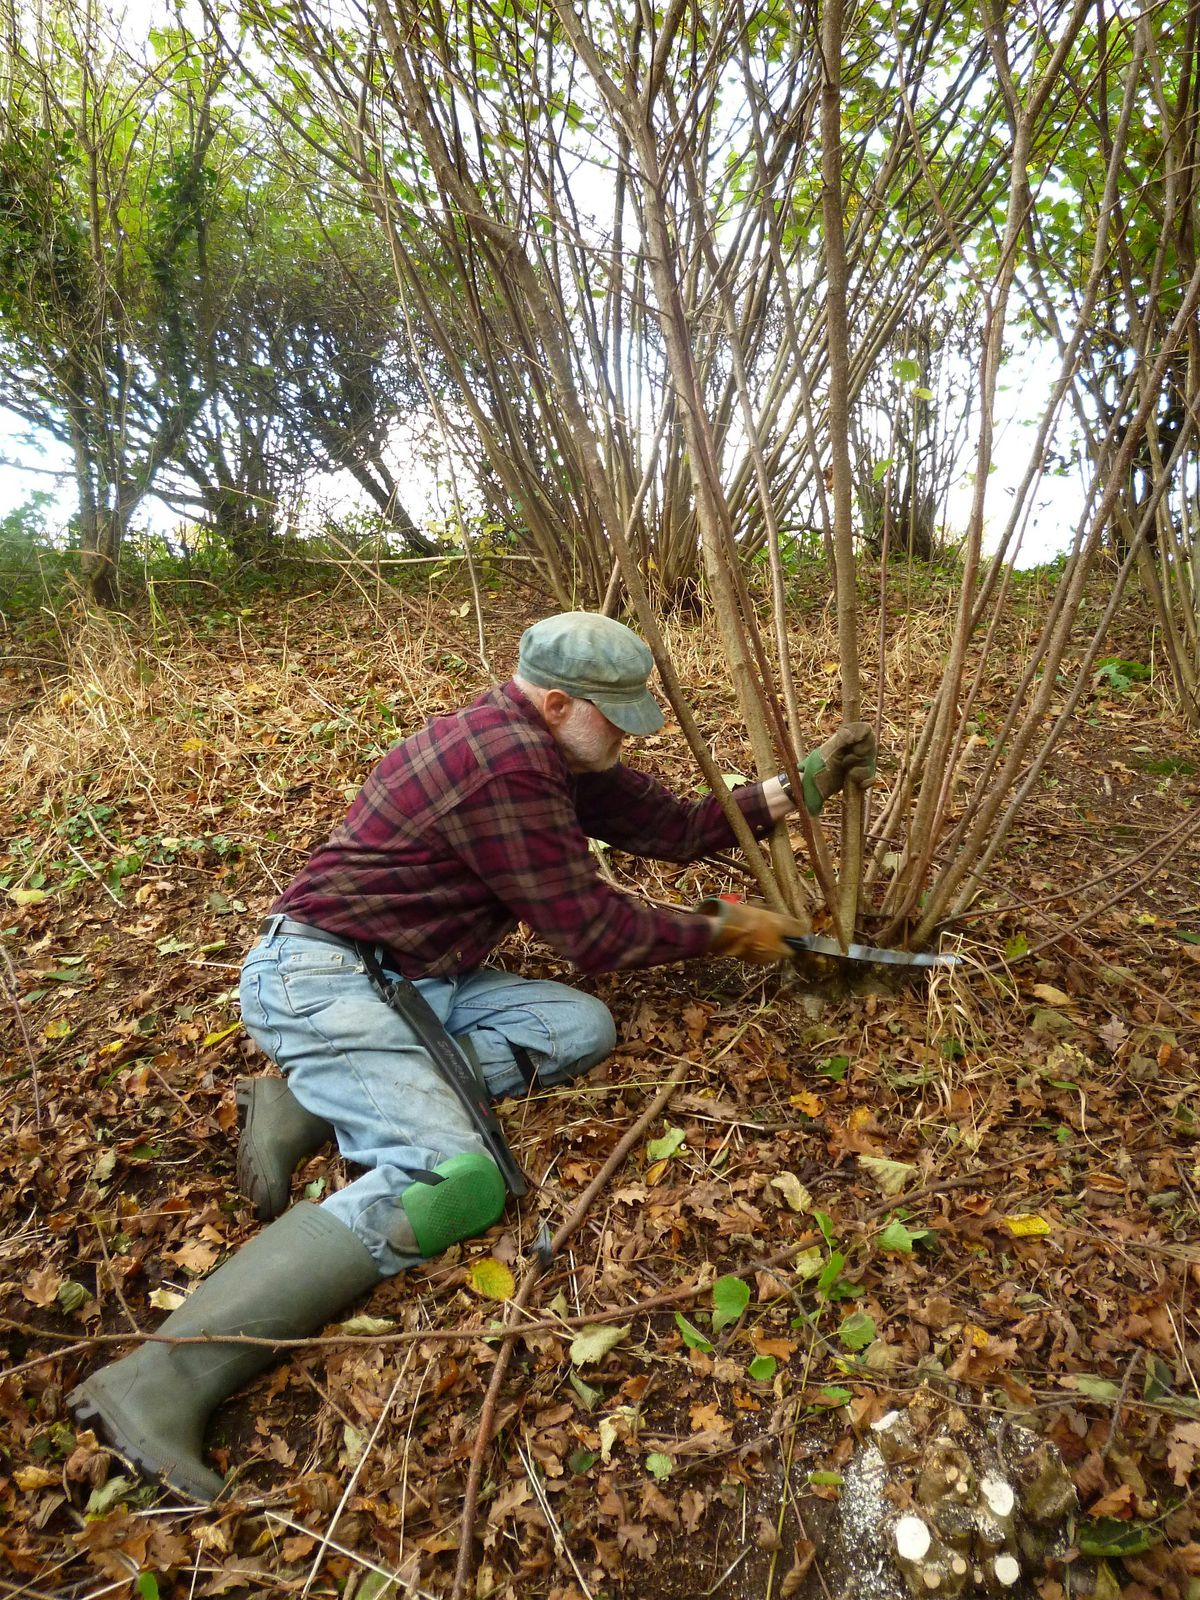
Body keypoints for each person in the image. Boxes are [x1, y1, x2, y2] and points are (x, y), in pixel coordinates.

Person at [69, 612, 876, 1500]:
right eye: (615, 714)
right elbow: (593, 932)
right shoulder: (506, 766)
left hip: (412, 983)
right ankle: (155, 1381)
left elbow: (675, 827)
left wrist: (797, 786)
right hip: (324, 980)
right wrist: (727, 931)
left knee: (578, 1029)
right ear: (558, 700)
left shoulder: (555, 747)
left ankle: (308, 1101)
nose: (626, 732)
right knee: (451, 1179)